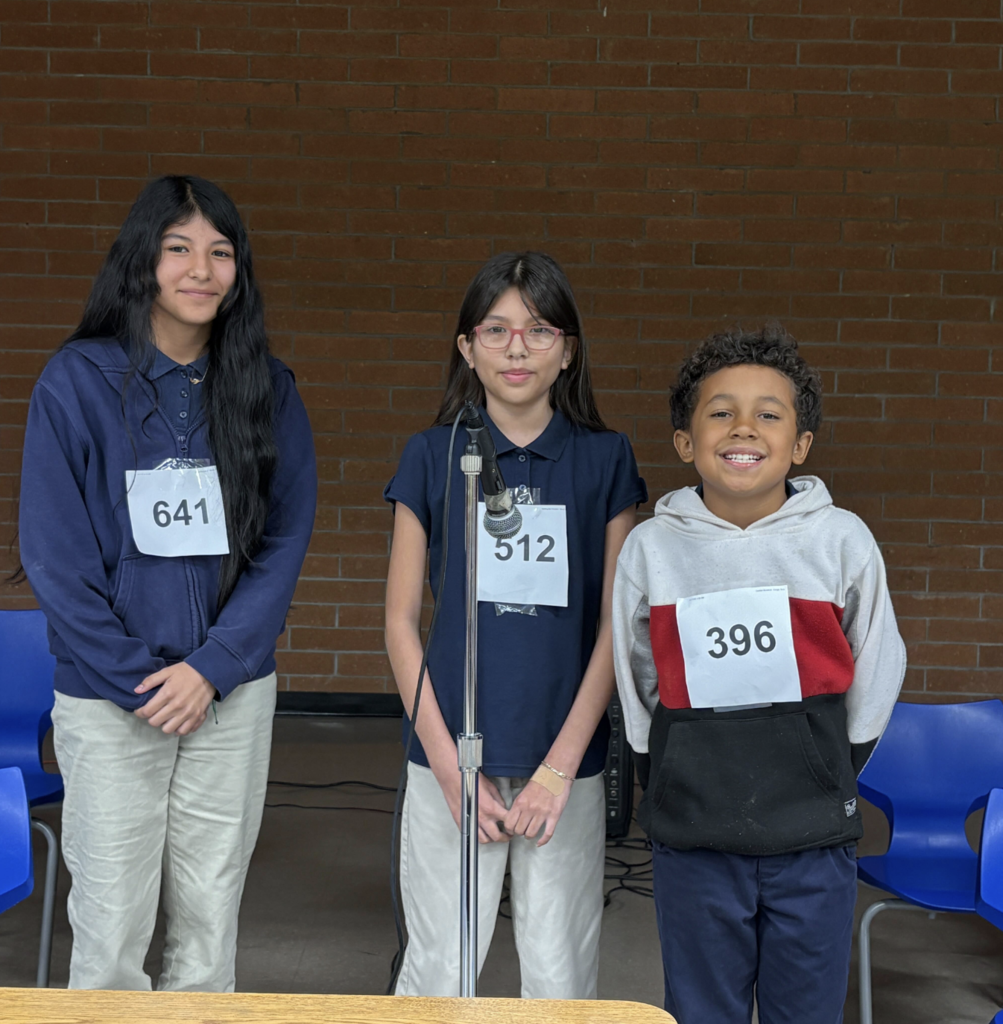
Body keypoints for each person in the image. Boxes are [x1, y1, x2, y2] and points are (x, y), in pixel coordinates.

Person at [17, 175, 317, 992]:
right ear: (142, 259)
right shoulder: (76, 383)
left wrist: (211, 668)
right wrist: (142, 681)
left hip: (229, 694)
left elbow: (283, 543)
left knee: (209, 922)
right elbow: (54, 555)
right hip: (113, 699)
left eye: (220, 252)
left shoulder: (266, 389)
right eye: (179, 247)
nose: (201, 268)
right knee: (111, 924)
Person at [612, 325, 906, 1024]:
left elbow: (878, 660)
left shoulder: (840, 540)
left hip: (811, 840)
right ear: (684, 441)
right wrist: (669, 769)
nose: (743, 427)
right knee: (699, 1008)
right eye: (719, 412)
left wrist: (834, 764)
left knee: (803, 1010)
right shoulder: (651, 549)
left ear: (799, 444)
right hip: (694, 837)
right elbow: (635, 673)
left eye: (768, 414)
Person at [384, 251, 646, 998]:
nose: (516, 348)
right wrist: (443, 763)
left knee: (559, 972)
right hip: (449, 752)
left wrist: (560, 770)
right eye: (495, 331)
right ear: (467, 348)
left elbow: (613, 626)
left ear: (567, 350)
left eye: (538, 330)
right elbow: (400, 622)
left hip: (563, 759)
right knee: (439, 971)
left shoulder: (605, 459)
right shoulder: (433, 456)